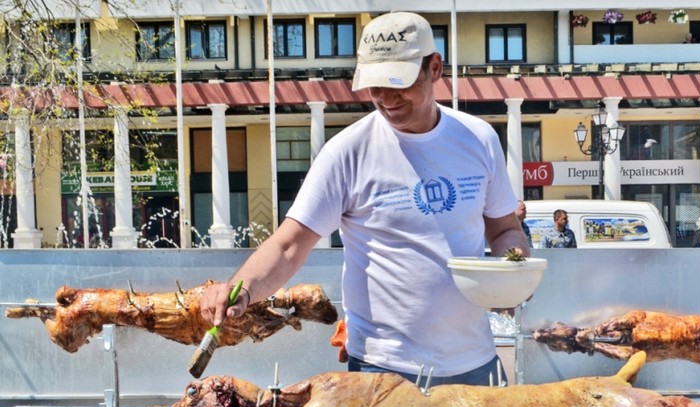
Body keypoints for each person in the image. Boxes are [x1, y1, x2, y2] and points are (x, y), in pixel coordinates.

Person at [199, 12, 529, 387]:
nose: (386, 99)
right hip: (384, 369)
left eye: (398, 83)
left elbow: (504, 230)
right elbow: (289, 246)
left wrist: (513, 266)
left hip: (476, 362)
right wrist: (239, 289)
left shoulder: (479, 138)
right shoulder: (346, 152)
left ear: (434, 69)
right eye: (375, 86)